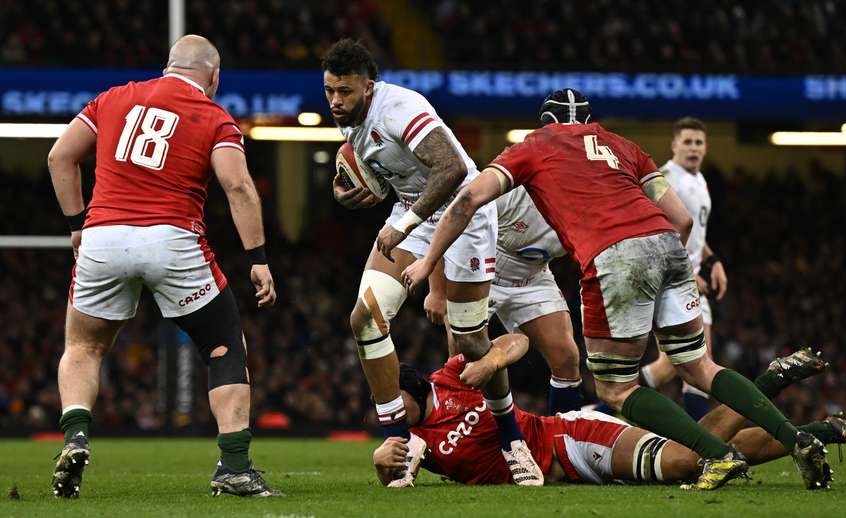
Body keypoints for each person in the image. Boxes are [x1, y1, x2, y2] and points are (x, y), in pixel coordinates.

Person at [401, 88, 830, 490]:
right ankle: (798, 440)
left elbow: (463, 201)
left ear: (546, 122)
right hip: (665, 246)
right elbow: (682, 221)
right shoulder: (624, 147)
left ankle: (716, 455)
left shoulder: (534, 145)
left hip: (611, 258)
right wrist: (663, 267)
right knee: (700, 367)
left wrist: (426, 262)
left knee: (615, 388)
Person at [48, 35, 281, 498]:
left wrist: (77, 225)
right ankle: (234, 467)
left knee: (83, 346)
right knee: (222, 347)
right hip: (172, 239)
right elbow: (238, 187)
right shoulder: (215, 117)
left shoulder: (113, 98)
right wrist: (257, 258)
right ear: (213, 77)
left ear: (167, 66)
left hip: (104, 235)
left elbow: (60, 156)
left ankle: (76, 435)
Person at [322, 39, 541, 487]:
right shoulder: (352, 127)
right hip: (414, 211)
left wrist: (404, 226)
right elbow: (390, 183)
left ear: (369, 86)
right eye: (329, 91)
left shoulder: (399, 107)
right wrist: (349, 194)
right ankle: (400, 444)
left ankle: (510, 436)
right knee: (365, 318)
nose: (335, 102)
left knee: (470, 348)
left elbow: (450, 171)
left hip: (466, 214)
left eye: (344, 92)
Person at [372, 340, 846, 488]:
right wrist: (380, 462)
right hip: (566, 475)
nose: (392, 408)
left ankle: (769, 381)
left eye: (395, 397)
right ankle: (818, 430)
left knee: (689, 461)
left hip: (568, 439)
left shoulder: (449, 379)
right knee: (711, 453)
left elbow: (516, 340)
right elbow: (390, 475)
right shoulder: (415, 443)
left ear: (411, 386)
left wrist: (491, 361)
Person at [425, 186, 582, 414]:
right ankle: (462, 434)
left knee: (567, 357)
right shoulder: (514, 190)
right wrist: (437, 290)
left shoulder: (590, 209)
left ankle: (569, 439)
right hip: (481, 268)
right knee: (463, 359)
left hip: (533, 275)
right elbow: (452, 218)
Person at [640, 117, 725, 420]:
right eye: (687, 142)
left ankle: (604, 403)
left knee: (685, 367)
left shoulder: (698, 180)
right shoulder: (666, 180)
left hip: (688, 281)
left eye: (698, 142)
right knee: (693, 367)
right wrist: (689, 272)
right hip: (672, 281)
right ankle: (603, 404)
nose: (693, 148)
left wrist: (712, 260)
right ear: (674, 144)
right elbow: (657, 234)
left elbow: (695, 231)